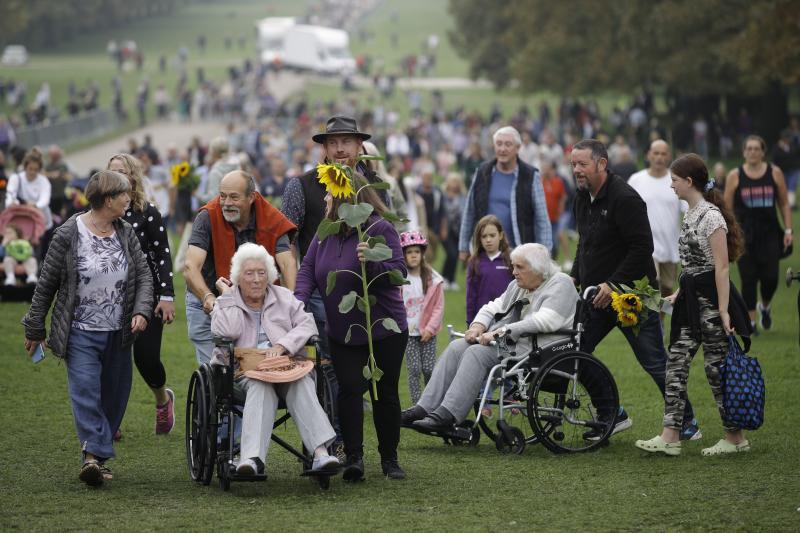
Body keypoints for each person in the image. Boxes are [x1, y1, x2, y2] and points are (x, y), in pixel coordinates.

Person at [21, 170, 153, 486]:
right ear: (107, 199)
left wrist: (141, 310)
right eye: (123, 194)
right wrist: (35, 328)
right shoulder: (68, 233)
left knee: (114, 396)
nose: (128, 198)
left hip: (119, 332)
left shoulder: (126, 232)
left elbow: (144, 276)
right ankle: (93, 457)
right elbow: (46, 283)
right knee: (85, 391)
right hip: (79, 331)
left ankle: (96, 457)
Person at [569, 139, 700, 440]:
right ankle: (611, 414)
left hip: (634, 298)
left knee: (654, 361)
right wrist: (574, 278)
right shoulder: (581, 196)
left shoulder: (625, 198)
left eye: (582, 164)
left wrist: (612, 284)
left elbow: (642, 249)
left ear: (601, 164)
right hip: (596, 297)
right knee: (575, 352)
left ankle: (687, 421)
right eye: (573, 164)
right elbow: (584, 243)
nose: (576, 170)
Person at [635, 154, 752, 457]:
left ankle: (735, 438)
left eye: (674, 180)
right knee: (675, 363)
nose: (671, 185)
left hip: (711, 305)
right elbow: (693, 266)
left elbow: (721, 268)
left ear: (689, 182)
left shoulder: (711, 217)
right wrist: (679, 293)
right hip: (690, 303)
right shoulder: (690, 213)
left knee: (717, 370)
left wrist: (723, 311)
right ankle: (670, 436)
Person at [294, 182, 408, 482]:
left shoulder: (380, 229)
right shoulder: (325, 232)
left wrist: (372, 264)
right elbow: (307, 270)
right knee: (349, 390)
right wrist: (297, 304)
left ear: (347, 199)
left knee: (385, 392)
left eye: (331, 195)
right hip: (343, 331)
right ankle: (355, 456)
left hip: (384, 329)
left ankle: (389, 458)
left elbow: (399, 272)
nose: (325, 199)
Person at [401, 243, 577, 432]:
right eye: (513, 266)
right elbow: (494, 306)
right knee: (456, 347)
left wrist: (500, 332)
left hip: (542, 349)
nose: (514, 272)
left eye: (519, 267)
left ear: (538, 269)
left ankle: (448, 414)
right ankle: (424, 408)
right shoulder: (519, 285)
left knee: (477, 353)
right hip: (516, 344)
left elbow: (546, 321)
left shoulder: (561, 283)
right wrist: (478, 325)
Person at [211, 243, 339, 476]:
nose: (256, 280)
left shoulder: (284, 297)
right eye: (249, 274)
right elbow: (228, 332)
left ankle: (320, 454)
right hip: (244, 373)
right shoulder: (227, 301)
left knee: (301, 382)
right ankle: (250, 459)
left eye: (262, 273)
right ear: (238, 277)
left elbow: (307, 324)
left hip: (286, 368)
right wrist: (228, 297)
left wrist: (283, 346)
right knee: (261, 385)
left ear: (269, 275)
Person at [183, 170, 297, 365]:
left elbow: (288, 263)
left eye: (234, 197)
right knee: (215, 370)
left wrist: (291, 302)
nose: (227, 203)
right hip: (207, 298)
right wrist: (207, 297)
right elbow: (190, 266)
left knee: (253, 365)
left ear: (251, 197)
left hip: (255, 304)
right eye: (223, 196)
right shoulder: (207, 216)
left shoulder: (271, 218)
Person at [107, 153, 176, 436]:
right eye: (112, 171)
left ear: (133, 177)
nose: (117, 176)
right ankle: (110, 421)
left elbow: (162, 255)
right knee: (110, 359)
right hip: (109, 296)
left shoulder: (148, 212)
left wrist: (167, 295)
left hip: (146, 294)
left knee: (146, 358)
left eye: (122, 171)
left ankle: (162, 399)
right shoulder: (99, 215)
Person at [724, 135, 793, 333]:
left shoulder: (775, 173)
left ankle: (765, 307)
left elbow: (784, 203)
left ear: (763, 152)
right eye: (749, 148)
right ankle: (751, 322)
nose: (753, 152)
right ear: (743, 152)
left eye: (756, 149)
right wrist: (728, 235)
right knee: (748, 278)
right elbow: (727, 209)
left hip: (770, 233)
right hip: (744, 235)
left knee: (771, 278)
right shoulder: (735, 175)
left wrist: (788, 230)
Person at [458, 126, 552, 263]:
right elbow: (469, 212)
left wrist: (545, 253)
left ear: (518, 148)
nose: (502, 149)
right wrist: (463, 247)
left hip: (520, 253)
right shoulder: (482, 172)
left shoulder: (530, 175)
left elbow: (541, 218)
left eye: (508, 144)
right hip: (485, 252)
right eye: (499, 144)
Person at [628, 140, 683, 314]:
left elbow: (689, 208)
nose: (659, 157)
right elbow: (624, 209)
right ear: (648, 155)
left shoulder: (677, 180)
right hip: (645, 245)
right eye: (656, 153)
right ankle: (650, 322)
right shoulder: (636, 180)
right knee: (652, 283)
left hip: (670, 246)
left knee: (667, 288)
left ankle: (659, 322)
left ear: (669, 156)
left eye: (663, 153)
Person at [400, 231, 444, 405]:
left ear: (422, 253)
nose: (413, 255)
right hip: (408, 334)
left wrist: (430, 329)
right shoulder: (400, 280)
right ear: (403, 255)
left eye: (416, 252)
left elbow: (438, 307)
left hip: (428, 333)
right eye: (409, 252)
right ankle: (417, 405)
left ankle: (431, 402)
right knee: (414, 370)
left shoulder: (433, 279)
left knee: (429, 369)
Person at [466, 215, 514, 324]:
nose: (488, 240)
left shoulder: (511, 259)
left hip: (506, 318)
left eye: (492, 235)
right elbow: (471, 296)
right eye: (484, 236)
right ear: (479, 238)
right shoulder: (475, 262)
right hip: (481, 320)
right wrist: (470, 322)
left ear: (500, 235)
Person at [6, 148, 53, 231]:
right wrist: (13, 203)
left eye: (36, 170)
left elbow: (45, 199)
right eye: (30, 169)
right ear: (25, 167)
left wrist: (35, 205)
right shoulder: (16, 178)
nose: (33, 172)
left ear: (39, 169)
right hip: (22, 220)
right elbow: (10, 195)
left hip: (42, 222)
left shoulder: (44, 181)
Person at [440, 172, 465, 290]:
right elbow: (442, 214)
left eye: (456, 181)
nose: (454, 184)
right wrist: (443, 229)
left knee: (455, 255)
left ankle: (452, 280)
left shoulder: (463, 197)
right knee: (451, 254)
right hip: (446, 230)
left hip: (459, 231)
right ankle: (444, 277)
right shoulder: (443, 196)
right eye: (452, 181)